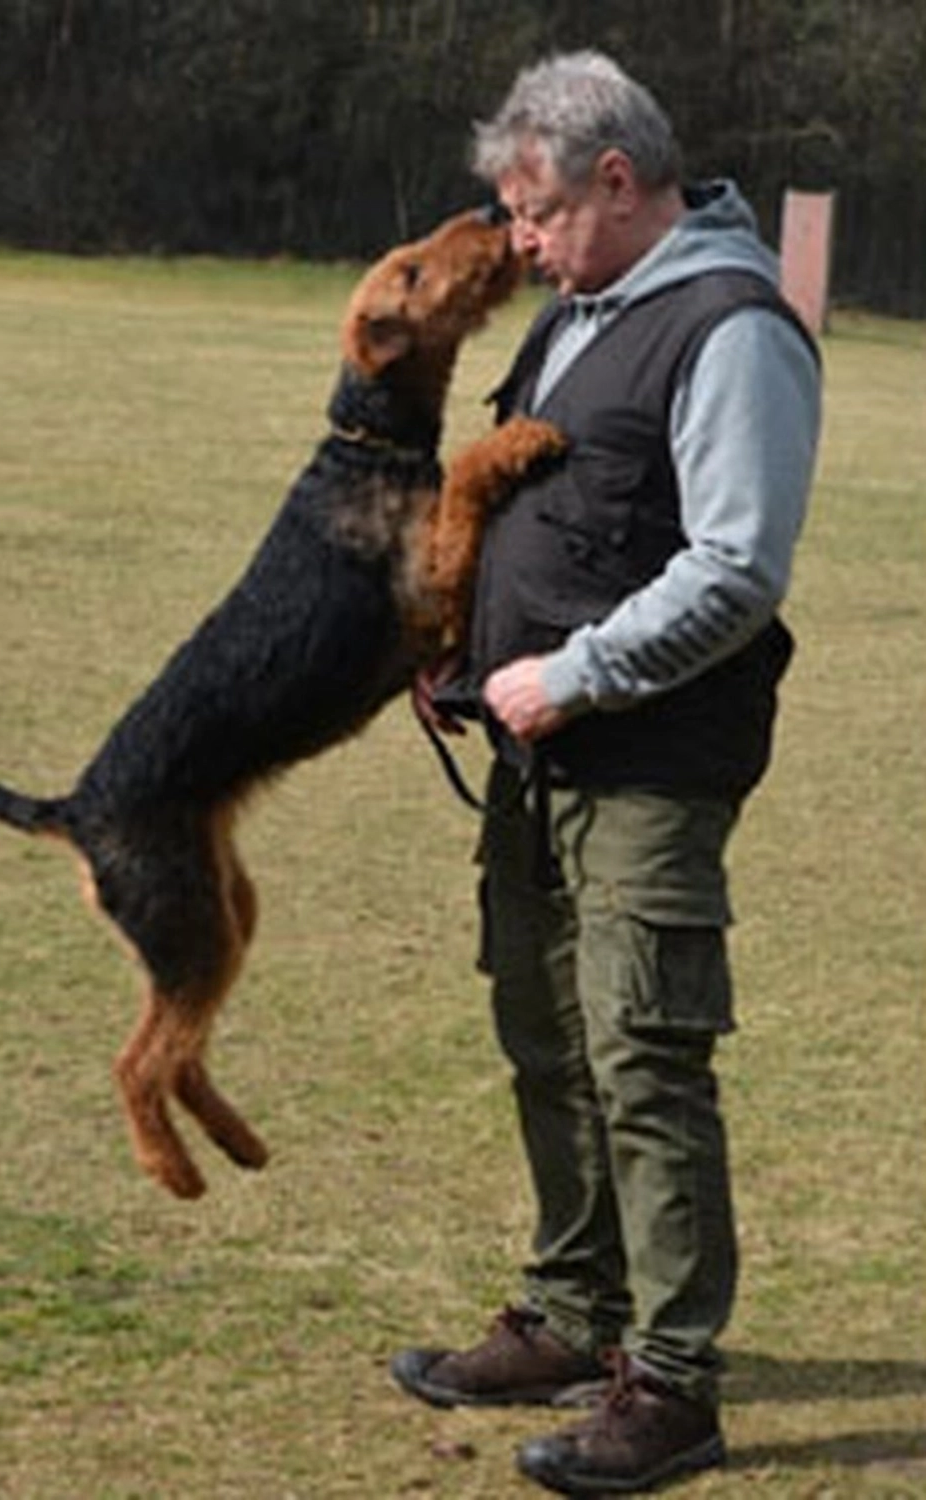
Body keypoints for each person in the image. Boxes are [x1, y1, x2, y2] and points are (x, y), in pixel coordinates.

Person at [391, 50, 821, 1496]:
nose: (517, 241)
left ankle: (673, 1386)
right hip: (531, 760)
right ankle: (575, 1317)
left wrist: (570, 675)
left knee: (643, 1054)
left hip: (646, 762)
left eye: (532, 209)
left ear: (616, 182)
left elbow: (736, 567)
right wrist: (452, 644)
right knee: (546, 1037)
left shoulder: (732, 325)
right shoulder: (582, 313)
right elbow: (535, 501)